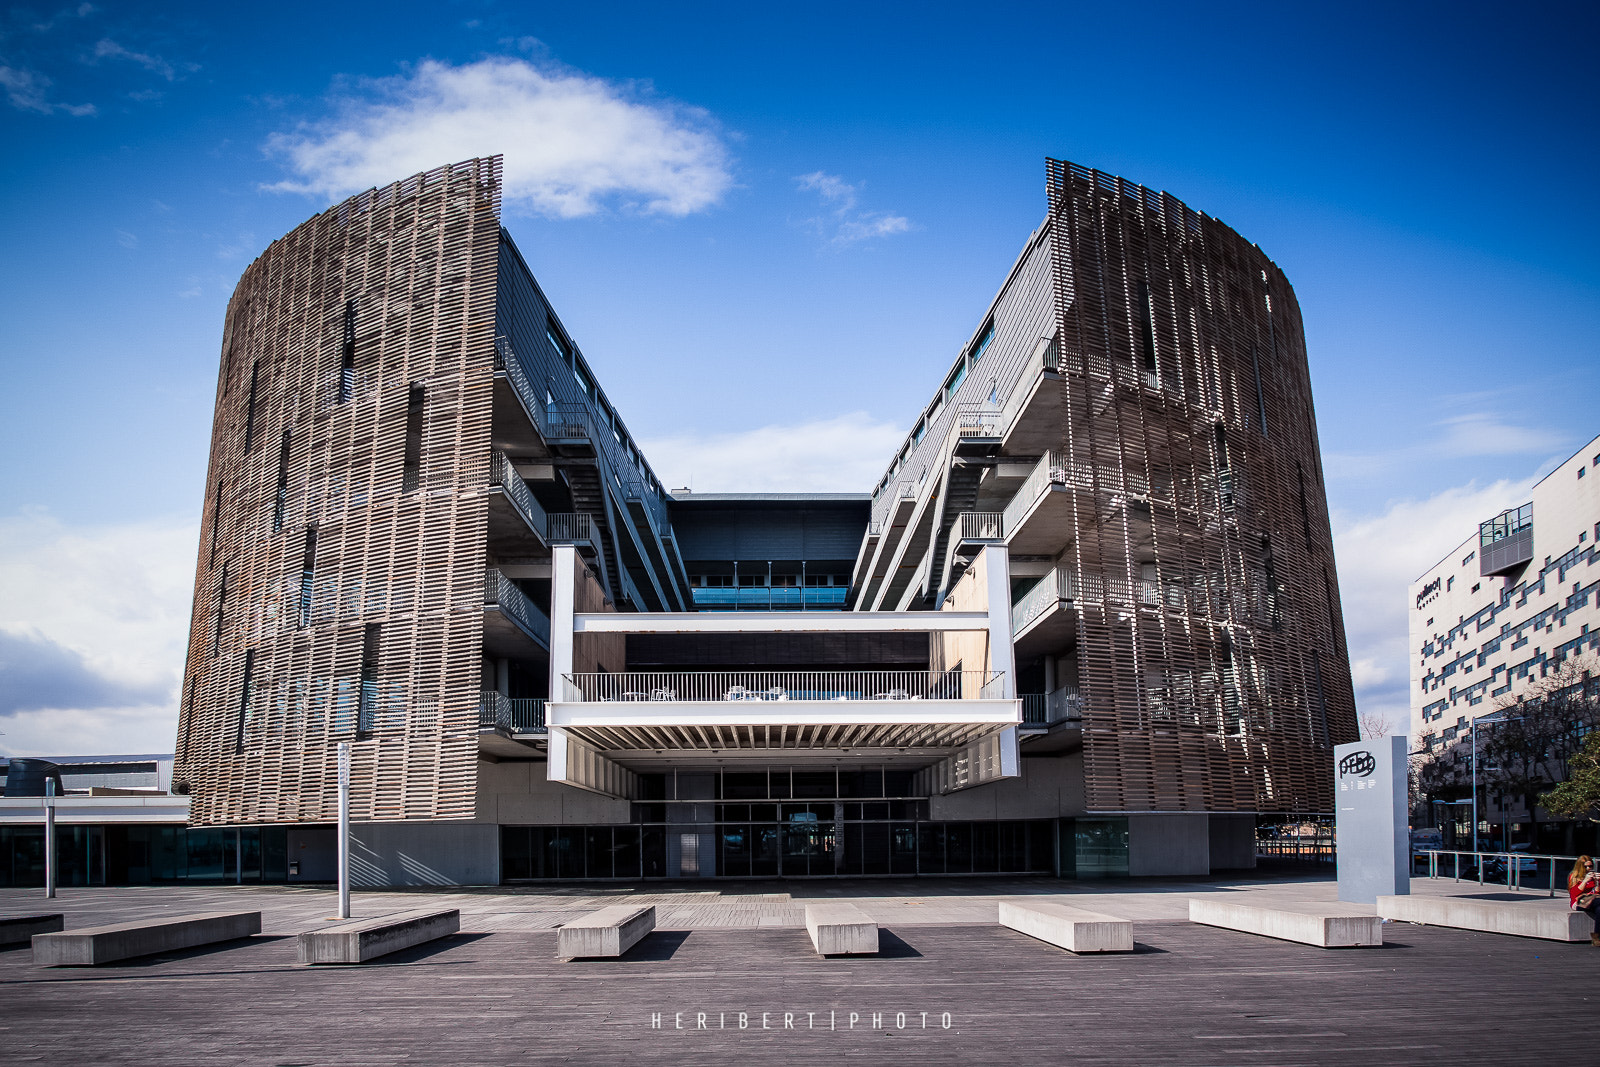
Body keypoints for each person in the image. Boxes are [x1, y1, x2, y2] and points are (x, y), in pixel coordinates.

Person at [1569, 856, 1600, 946]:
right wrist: (1585, 881)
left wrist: (1598, 882)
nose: (1588, 869)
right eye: (1585, 866)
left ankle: (1597, 939)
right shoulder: (1574, 876)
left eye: (1590, 866)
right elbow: (1574, 893)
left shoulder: (1593, 876)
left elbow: (1597, 892)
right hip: (1579, 901)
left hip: (1593, 900)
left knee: (1599, 909)